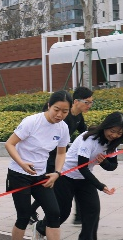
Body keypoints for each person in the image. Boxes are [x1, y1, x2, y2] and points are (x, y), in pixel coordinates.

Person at [4, 90, 76, 240]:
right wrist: (22, 163)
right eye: (56, 109)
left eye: (65, 111)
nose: (59, 115)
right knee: (24, 215)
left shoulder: (63, 128)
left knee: (54, 212)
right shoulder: (32, 121)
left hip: (41, 175)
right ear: (49, 106)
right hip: (19, 174)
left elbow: (61, 153)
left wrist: (57, 173)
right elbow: (9, 144)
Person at [54, 112, 123, 240]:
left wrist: (104, 162)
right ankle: (40, 228)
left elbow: (113, 166)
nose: (114, 135)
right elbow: (82, 167)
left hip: (84, 178)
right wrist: (100, 186)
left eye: (119, 133)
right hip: (66, 175)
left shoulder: (112, 144)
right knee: (62, 213)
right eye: (112, 131)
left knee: (92, 210)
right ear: (106, 126)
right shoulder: (89, 139)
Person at [31, 87, 93, 230]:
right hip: (49, 157)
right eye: (87, 102)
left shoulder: (78, 116)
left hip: (60, 156)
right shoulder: (64, 117)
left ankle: (77, 215)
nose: (89, 105)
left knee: (54, 185)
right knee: (49, 185)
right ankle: (30, 211)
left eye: (91, 102)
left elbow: (84, 133)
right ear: (76, 102)